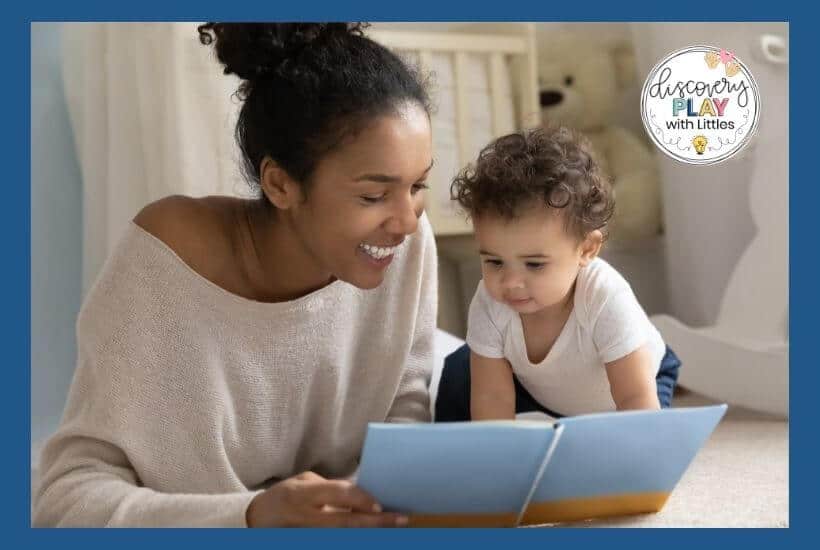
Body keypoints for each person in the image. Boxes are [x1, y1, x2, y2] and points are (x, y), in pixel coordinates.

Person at [34, 22, 437, 528]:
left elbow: (407, 418)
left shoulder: (404, 244)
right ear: (280, 184)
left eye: (418, 185)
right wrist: (249, 516)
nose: (406, 219)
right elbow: (63, 501)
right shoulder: (169, 258)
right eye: (373, 195)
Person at [435, 126, 680, 422]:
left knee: (621, 444)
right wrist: (496, 451)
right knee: (463, 368)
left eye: (535, 264)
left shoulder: (604, 296)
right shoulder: (490, 302)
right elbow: (493, 397)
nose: (510, 283)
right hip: (545, 395)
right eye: (495, 262)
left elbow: (634, 397)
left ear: (586, 249)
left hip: (635, 388)